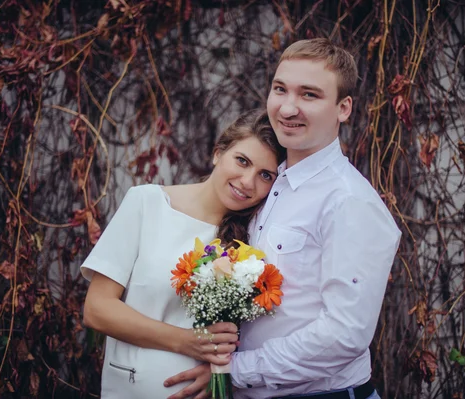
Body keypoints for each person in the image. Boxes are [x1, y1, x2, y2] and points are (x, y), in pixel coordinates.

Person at [166, 39, 401, 399]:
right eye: (280, 89)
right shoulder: (266, 183)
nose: (288, 108)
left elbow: (344, 334)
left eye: (309, 95)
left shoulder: (349, 201)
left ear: (343, 108)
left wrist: (235, 371)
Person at [81, 109, 285, 399]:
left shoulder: (255, 240)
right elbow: (97, 309)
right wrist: (185, 341)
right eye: (242, 161)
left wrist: (226, 374)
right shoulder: (147, 203)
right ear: (218, 153)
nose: (247, 182)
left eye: (265, 175)